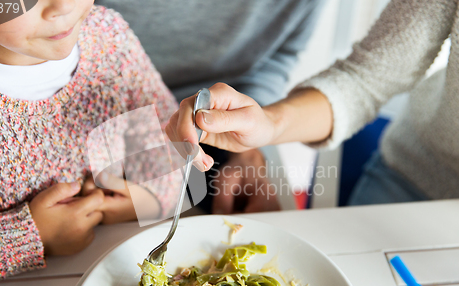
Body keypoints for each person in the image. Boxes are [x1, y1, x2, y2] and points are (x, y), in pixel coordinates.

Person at [0, 1, 180, 286]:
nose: (62, 6)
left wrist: (149, 198)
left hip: (115, 273)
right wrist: (28, 237)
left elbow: (168, 141)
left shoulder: (107, 34)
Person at [167, 0, 459, 206]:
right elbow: (365, 78)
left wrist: (260, 143)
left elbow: (273, 58)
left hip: (175, 165)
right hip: (417, 180)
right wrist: (268, 126)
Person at [95, 0, 325, 214]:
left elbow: (274, 60)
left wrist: (249, 147)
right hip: (101, 116)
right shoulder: (103, 22)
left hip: (219, 127)